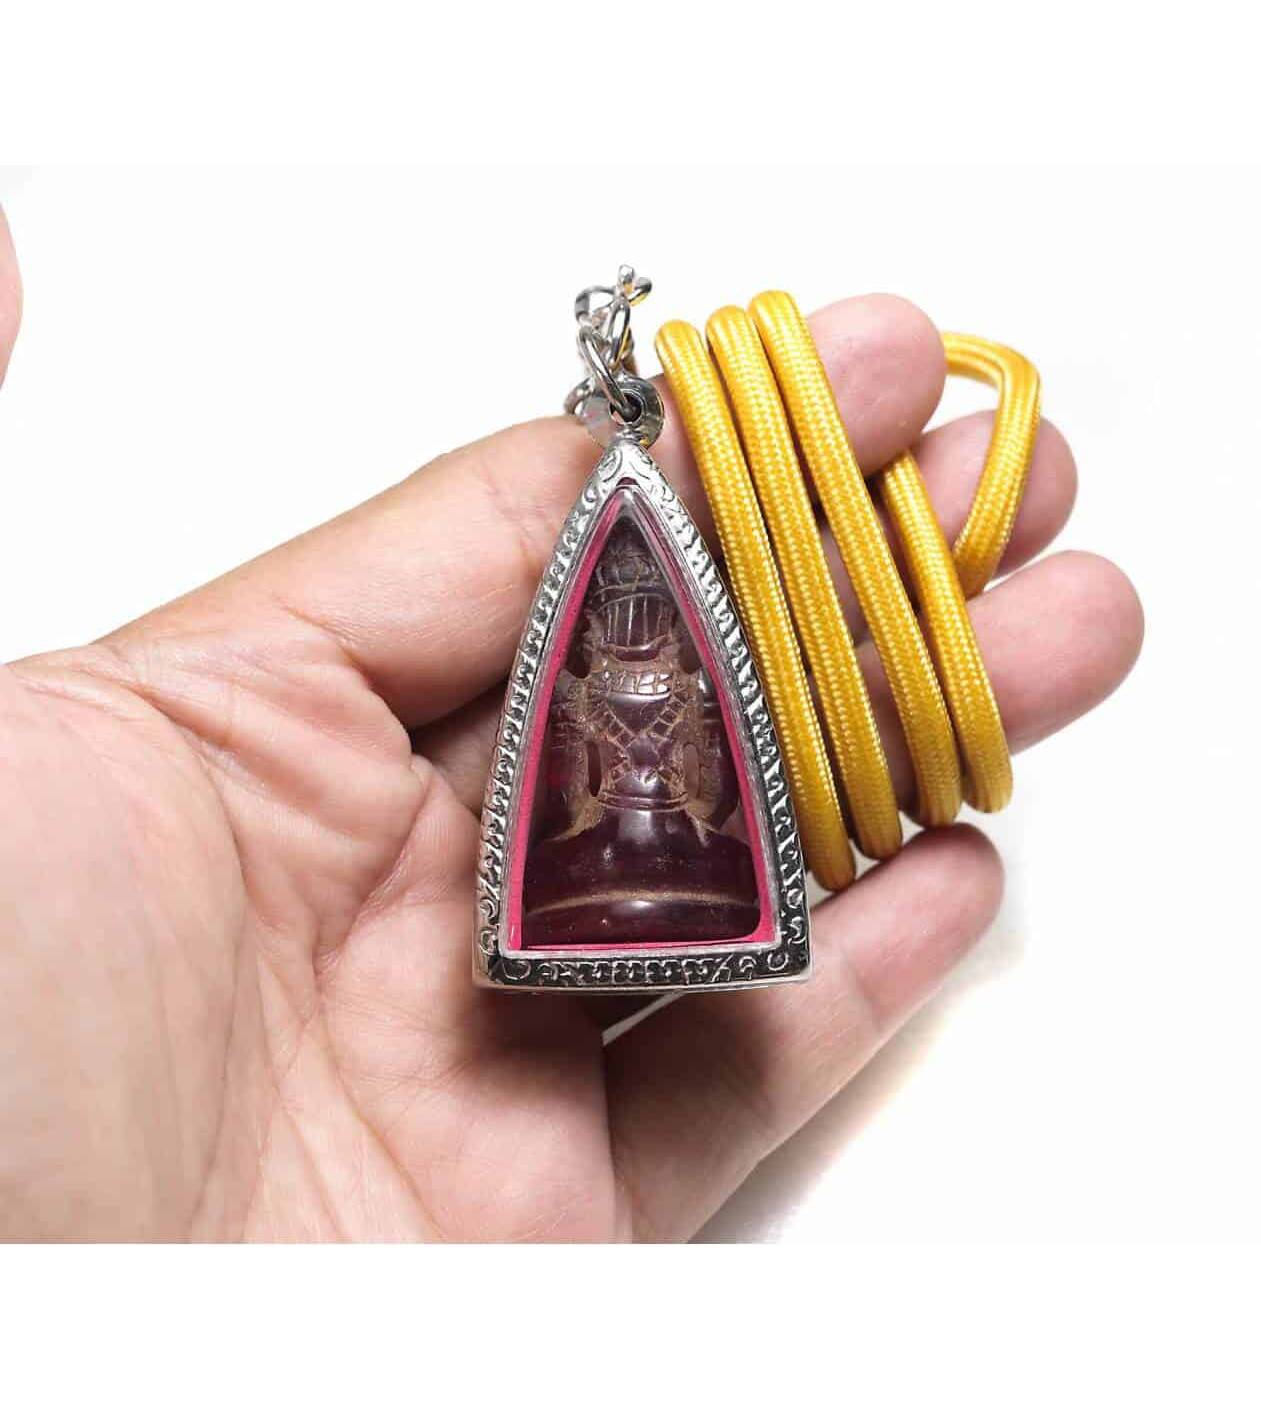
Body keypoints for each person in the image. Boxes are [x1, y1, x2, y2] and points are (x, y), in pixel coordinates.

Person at [0, 210, 1142, 1241]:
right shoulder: (590, 732)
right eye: (625, 699)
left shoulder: (677, 734)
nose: (643, 712)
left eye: (660, 701)